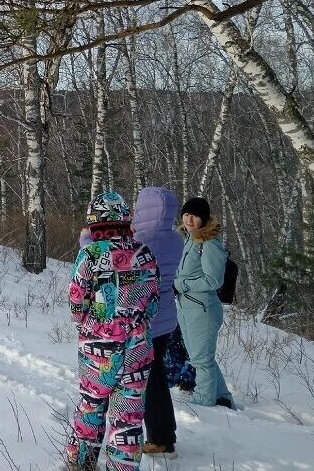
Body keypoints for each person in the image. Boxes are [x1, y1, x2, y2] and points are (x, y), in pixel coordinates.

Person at [66, 192, 159, 471]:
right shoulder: (144, 253)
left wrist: (88, 324)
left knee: (91, 407)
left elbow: (76, 299)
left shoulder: (91, 253)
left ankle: (80, 464)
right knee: (128, 419)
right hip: (138, 349)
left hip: (99, 348)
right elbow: (154, 301)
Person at [131, 187, 183, 458]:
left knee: (150, 380)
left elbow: (117, 263)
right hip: (166, 314)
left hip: (146, 315)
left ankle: (161, 439)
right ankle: (164, 433)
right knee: (157, 376)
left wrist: (85, 243)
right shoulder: (175, 239)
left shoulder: (141, 240)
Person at [174, 197, 234, 409]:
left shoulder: (209, 242)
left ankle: (204, 404)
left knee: (202, 360)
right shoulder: (190, 238)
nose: (189, 219)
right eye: (187, 214)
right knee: (200, 357)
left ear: (204, 218)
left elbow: (214, 280)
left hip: (203, 309)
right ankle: (223, 398)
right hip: (187, 307)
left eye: (195, 215)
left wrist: (181, 285)